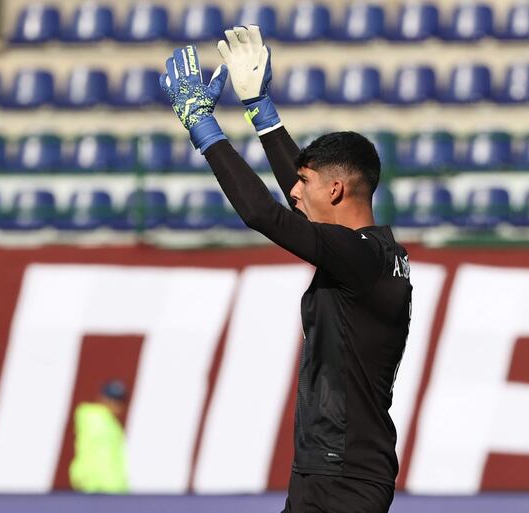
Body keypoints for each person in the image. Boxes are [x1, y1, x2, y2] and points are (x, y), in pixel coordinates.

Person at [159, 26, 412, 513]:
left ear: (336, 191)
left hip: (343, 480)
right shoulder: (370, 253)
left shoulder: (360, 257)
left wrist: (204, 128)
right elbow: (299, 207)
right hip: (330, 471)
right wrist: (259, 108)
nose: (293, 191)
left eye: (304, 181)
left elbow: (265, 215)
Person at [69, 380, 129, 493]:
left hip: (111, 487)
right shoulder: (93, 416)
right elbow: (101, 455)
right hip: (95, 486)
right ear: (102, 398)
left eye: (118, 401)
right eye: (111, 399)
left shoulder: (113, 425)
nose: (114, 404)